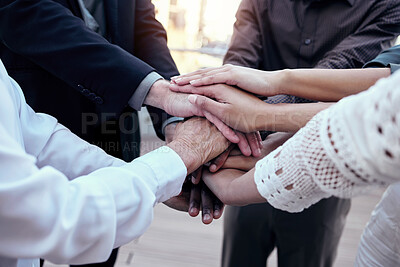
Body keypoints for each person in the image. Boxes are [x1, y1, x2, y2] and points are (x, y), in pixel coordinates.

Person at [0, 1, 241, 265]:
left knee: (105, 250)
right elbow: (55, 220)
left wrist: (170, 140)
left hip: (114, 130)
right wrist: (181, 155)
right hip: (55, 106)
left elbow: (40, 137)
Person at [173, 0, 400, 265]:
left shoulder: (387, 5)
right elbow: (239, 60)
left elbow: (345, 67)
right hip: (243, 157)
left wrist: (241, 129)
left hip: (322, 168)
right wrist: (222, 127)